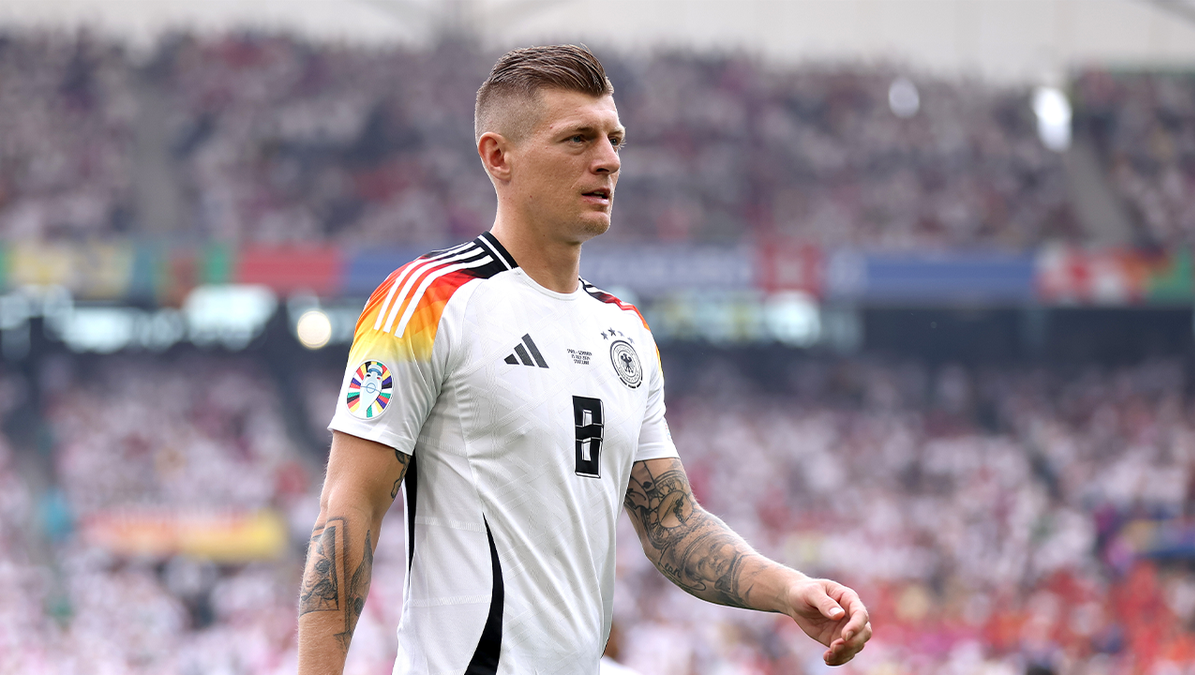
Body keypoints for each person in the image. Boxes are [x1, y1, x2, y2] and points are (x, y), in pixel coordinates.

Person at [297, 44, 871, 674]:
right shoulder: (428, 300)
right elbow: (347, 511)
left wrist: (789, 591)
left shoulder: (623, 330)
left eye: (614, 138)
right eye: (577, 139)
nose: (608, 161)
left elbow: (672, 523)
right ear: (498, 157)